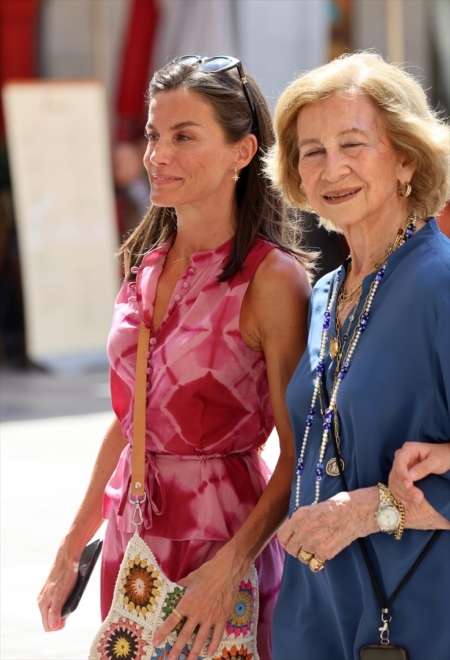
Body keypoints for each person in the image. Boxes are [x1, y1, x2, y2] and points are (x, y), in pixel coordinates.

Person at [38, 55, 312, 660]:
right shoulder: (147, 263)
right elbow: (133, 418)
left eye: (184, 136)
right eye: (153, 135)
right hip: (130, 542)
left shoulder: (272, 281)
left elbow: (299, 454)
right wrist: (71, 544)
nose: (157, 155)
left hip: (223, 542)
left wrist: (230, 566)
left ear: (243, 152)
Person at [264, 51, 450, 659]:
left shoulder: (441, 285)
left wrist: (377, 508)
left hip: (417, 617)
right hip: (313, 616)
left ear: (405, 158)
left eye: (352, 143)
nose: (330, 167)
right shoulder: (323, 294)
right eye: (311, 150)